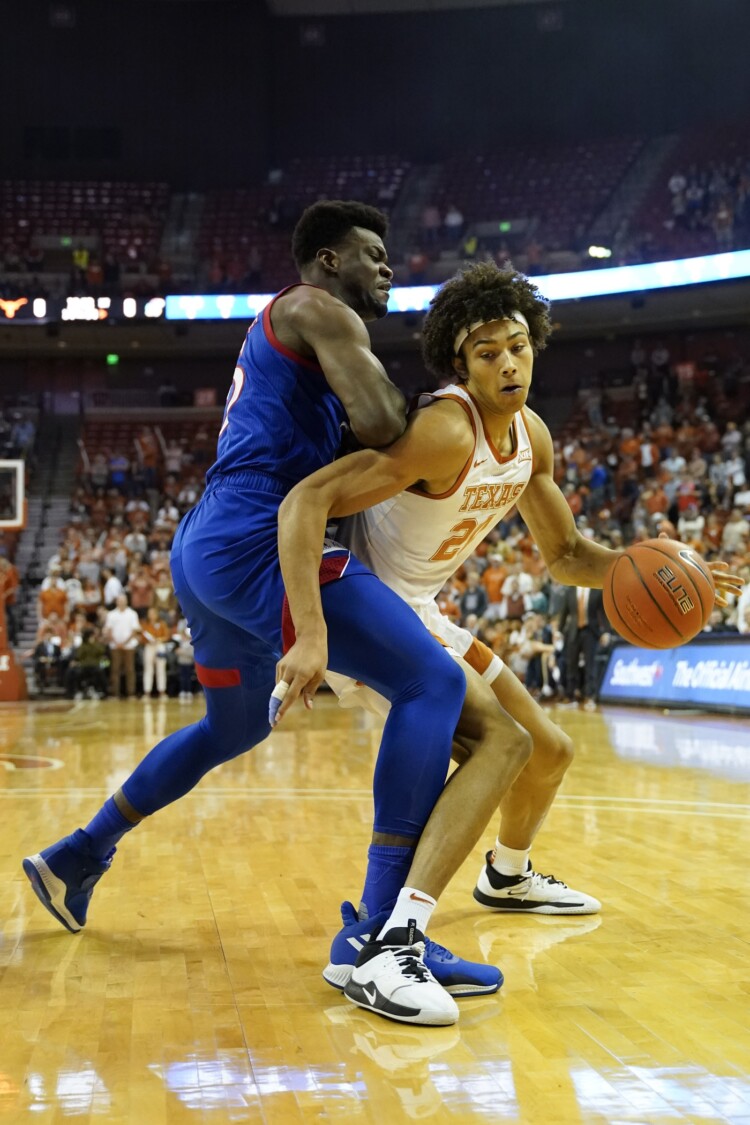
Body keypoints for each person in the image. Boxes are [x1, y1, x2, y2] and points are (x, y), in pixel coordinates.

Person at [23, 201, 529, 1028]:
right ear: (327, 261)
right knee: (431, 684)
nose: (387, 267)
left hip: (206, 545)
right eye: (372, 254)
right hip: (262, 530)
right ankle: (375, 938)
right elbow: (384, 421)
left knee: (234, 728)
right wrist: (446, 409)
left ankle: (78, 853)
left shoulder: (295, 338)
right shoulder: (314, 307)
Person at [273, 260, 743, 930]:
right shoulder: (446, 430)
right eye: (487, 354)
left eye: (518, 347)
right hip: (369, 603)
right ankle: (399, 922)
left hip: (424, 609)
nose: (508, 364)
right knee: (502, 745)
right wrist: (312, 628)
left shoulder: (531, 439)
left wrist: (668, 570)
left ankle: (508, 875)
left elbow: (569, 555)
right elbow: (312, 499)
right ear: (461, 368)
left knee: (550, 749)